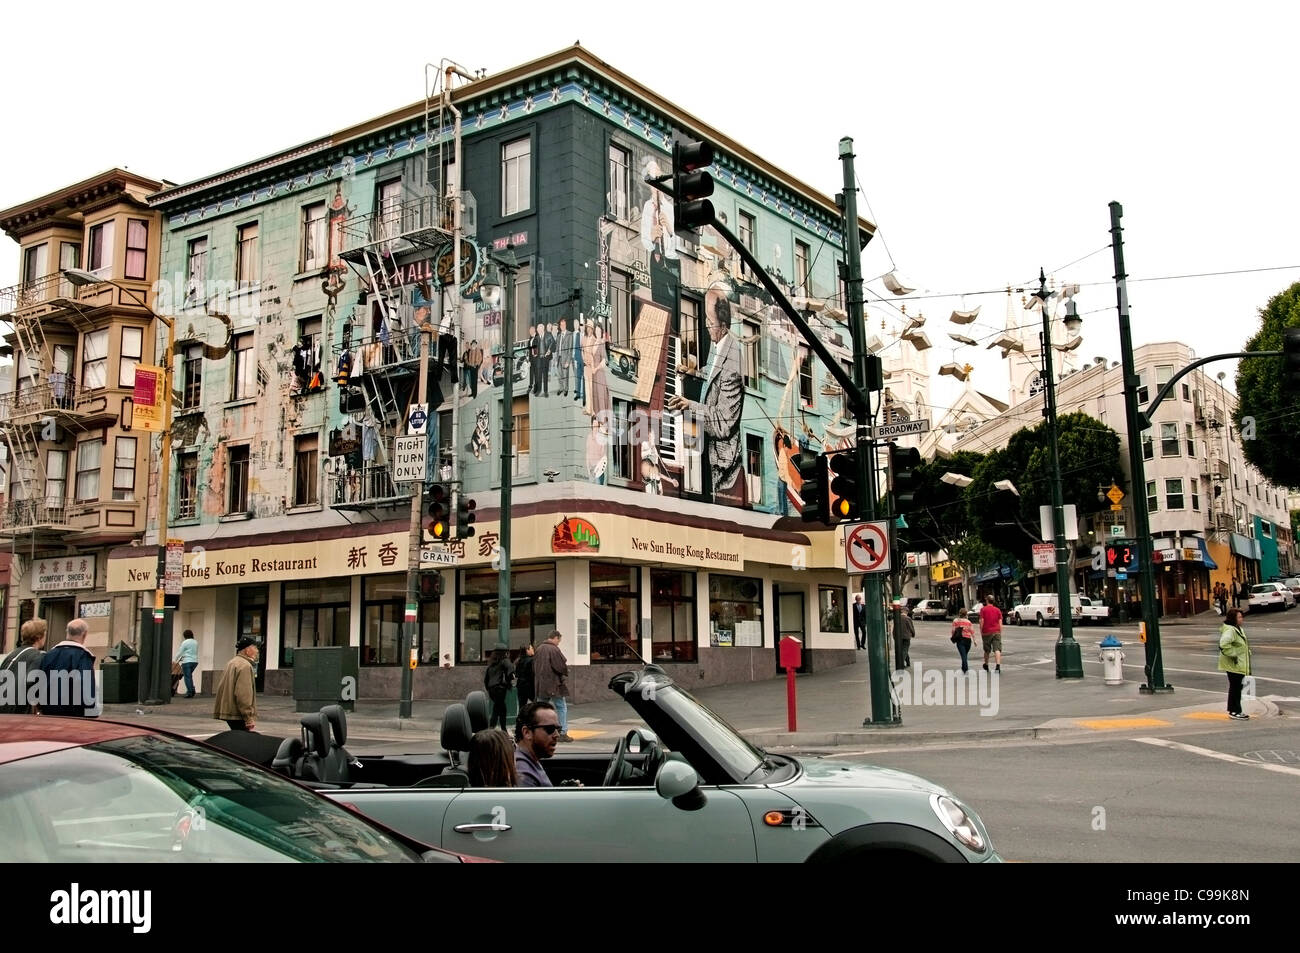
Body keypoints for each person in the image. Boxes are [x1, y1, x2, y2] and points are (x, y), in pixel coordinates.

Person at [665, 285, 743, 503]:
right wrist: (693, 372)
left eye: (710, 321)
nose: (707, 325)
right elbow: (711, 376)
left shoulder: (733, 362)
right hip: (710, 456)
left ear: (724, 323)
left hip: (721, 471)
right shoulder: (718, 344)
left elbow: (723, 423)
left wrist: (689, 405)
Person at [37, 619, 97, 717]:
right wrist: (90, 712)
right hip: (73, 716)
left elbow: (39, 682)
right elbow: (85, 688)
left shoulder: (49, 655)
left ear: (67, 632)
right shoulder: (82, 656)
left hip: (48, 714)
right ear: (84, 634)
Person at [0, 618, 48, 714]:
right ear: (39, 637)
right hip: (18, 711)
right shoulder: (37, 656)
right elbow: (32, 683)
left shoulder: (12, 654)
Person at [213, 636, 260, 731]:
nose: (257, 651)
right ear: (247, 650)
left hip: (229, 710)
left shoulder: (232, 662)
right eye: (255, 648)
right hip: (237, 713)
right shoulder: (245, 666)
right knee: (243, 740)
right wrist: (248, 718)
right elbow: (243, 694)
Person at [533, 630, 572, 742]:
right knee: (561, 707)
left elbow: (534, 666)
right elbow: (560, 666)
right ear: (555, 638)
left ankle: (542, 731)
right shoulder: (553, 649)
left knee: (542, 709)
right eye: (559, 640)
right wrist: (565, 671)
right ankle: (562, 732)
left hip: (541, 685)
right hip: (553, 684)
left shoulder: (539, 649)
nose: (559, 642)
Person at [513, 701, 560, 787]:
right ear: (527, 732)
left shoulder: (530, 760)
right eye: (550, 729)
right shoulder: (523, 772)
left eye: (558, 729)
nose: (557, 735)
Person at [1218, 608, 1252, 720]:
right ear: (1234, 619)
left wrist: (1246, 652)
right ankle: (1235, 711)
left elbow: (1241, 645)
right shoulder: (1231, 630)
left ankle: (1234, 709)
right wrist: (1234, 654)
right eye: (1239, 617)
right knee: (1235, 688)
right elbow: (1224, 644)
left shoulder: (1237, 629)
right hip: (1234, 664)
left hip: (1238, 663)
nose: (1242, 619)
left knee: (1236, 687)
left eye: (1241, 617)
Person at [483, 643, 515, 732]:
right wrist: (509, 680)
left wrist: (489, 688)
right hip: (500, 688)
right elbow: (511, 669)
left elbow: (486, 680)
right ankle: (499, 728)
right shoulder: (505, 660)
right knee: (500, 709)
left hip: (491, 690)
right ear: (504, 652)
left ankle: (494, 727)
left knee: (498, 708)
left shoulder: (492, 662)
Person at [978, 593, 1003, 673]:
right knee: (997, 649)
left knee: (987, 650)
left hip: (986, 632)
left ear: (987, 601)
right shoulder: (997, 610)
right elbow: (1000, 622)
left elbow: (982, 621)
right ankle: (998, 666)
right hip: (996, 631)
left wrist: (981, 630)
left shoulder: (983, 610)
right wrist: (1000, 631)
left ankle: (986, 664)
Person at [174, 628, 200, 699]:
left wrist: (175, 660)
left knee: (187, 677)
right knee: (189, 676)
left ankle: (190, 692)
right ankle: (192, 689)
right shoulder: (195, 642)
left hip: (187, 661)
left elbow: (180, 652)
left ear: (185, 636)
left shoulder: (185, 642)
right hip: (194, 662)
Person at [556, 318, 574, 397]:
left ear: (565, 325)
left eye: (563, 325)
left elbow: (570, 349)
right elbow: (557, 348)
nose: (562, 326)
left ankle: (566, 389)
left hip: (565, 358)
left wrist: (568, 361)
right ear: (560, 326)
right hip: (559, 358)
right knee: (560, 375)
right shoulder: (559, 335)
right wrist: (555, 359)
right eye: (561, 325)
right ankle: (561, 388)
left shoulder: (570, 334)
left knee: (565, 375)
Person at [515, 642, 536, 710]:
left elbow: (516, 674)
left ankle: (521, 720)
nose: (533, 649)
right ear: (527, 650)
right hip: (530, 686)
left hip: (520, 686)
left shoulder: (518, 661)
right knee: (537, 705)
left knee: (522, 706)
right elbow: (532, 674)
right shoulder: (531, 660)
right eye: (531, 648)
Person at [894, 606, 915, 670]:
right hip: (906, 636)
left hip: (898, 637)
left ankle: (908, 662)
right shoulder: (907, 618)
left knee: (903, 650)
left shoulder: (897, 618)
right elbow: (911, 627)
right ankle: (901, 663)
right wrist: (913, 634)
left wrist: (894, 636)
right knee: (905, 650)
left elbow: (894, 628)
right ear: (906, 612)